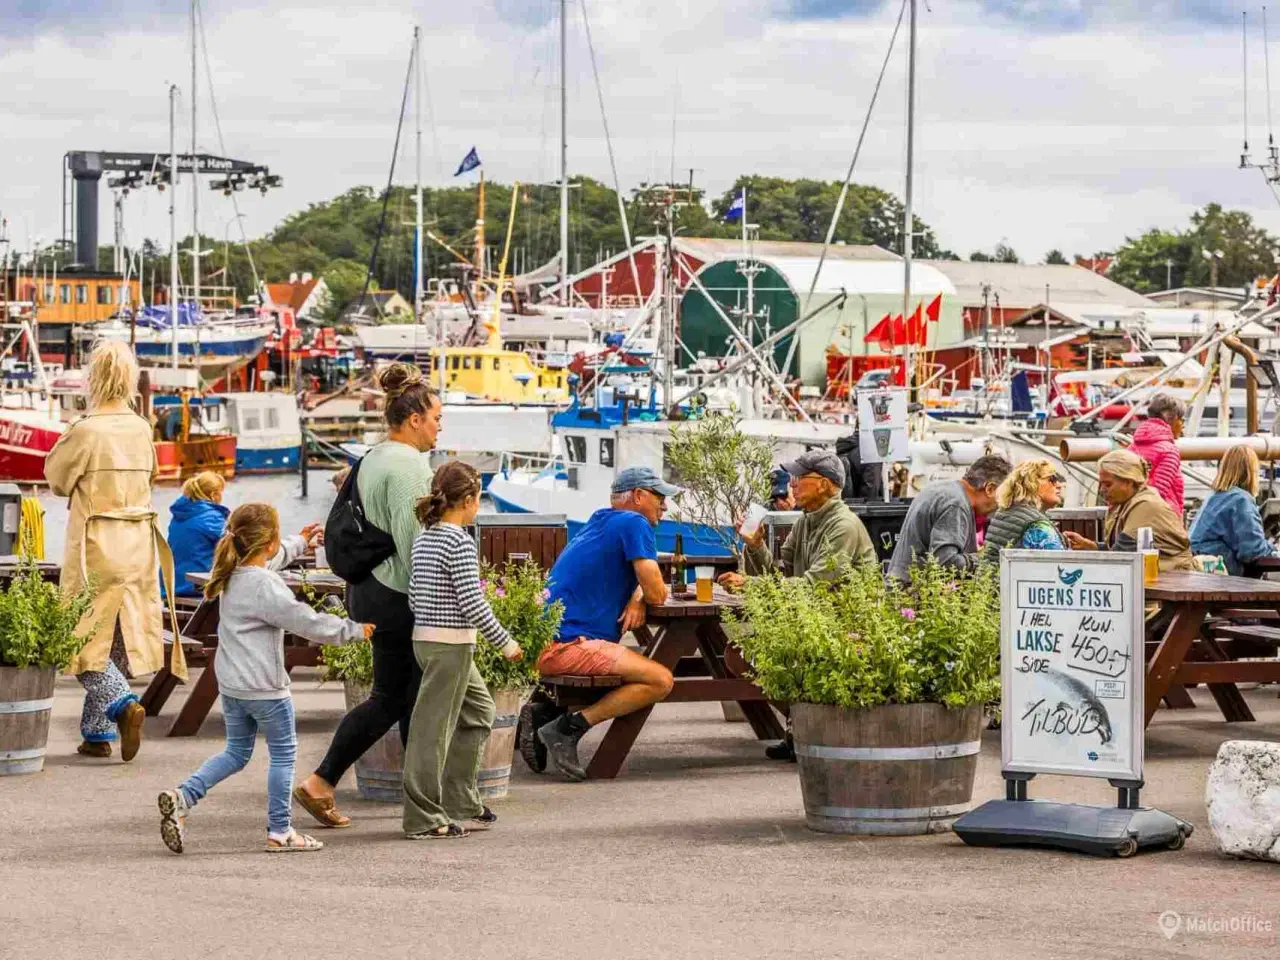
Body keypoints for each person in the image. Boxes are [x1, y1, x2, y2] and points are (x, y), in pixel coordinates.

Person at [157, 504, 373, 854]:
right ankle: (280, 830)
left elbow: (267, 564)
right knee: (284, 755)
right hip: (265, 689)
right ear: (269, 541)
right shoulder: (266, 585)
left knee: (236, 752)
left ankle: (184, 796)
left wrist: (299, 542)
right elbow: (305, 620)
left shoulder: (230, 573)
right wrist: (353, 630)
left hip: (232, 685)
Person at [294, 363, 441, 828]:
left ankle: (416, 796)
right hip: (398, 596)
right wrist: (439, 604)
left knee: (402, 698)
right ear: (414, 418)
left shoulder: (373, 457)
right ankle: (329, 783)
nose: (440, 427)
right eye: (437, 418)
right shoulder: (408, 468)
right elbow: (416, 544)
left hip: (369, 589)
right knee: (398, 699)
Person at [44, 340, 176, 762]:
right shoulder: (141, 428)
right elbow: (153, 477)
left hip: (96, 546)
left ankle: (122, 705)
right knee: (116, 637)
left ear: (94, 378)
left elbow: (57, 480)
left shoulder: (85, 430)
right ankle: (97, 734)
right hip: (138, 544)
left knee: (80, 639)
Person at [403, 461, 523, 839]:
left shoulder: (425, 537)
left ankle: (459, 799)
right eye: (479, 499)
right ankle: (424, 817)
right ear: (469, 500)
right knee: (432, 732)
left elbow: (412, 596)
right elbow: (473, 604)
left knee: (479, 711)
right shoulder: (458, 541)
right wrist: (506, 642)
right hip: (449, 645)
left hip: (428, 639)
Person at [534, 466, 675, 781]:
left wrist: (637, 596)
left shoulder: (601, 520)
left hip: (547, 641)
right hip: (567, 646)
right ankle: (566, 728)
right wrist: (643, 595)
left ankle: (547, 709)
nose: (664, 506)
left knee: (629, 669)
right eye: (660, 497)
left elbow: (646, 590)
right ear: (638, 496)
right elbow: (658, 593)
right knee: (660, 680)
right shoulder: (634, 522)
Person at [721, 450, 876, 590]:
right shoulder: (805, 521)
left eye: (799, 477)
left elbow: (813, 586)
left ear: (822, 485)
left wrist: (748, 584)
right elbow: (778, 576)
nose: (792, 484)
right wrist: (756, 546)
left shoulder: (844, 526)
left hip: (843, 620)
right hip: (815, 617)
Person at [167, 471, 323, 598]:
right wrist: (301, 541)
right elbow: (249, 551)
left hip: (174, 585)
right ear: (214, 495)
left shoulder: (179, 516)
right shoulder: (210, 518)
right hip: (199, 588)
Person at [887, 455, 1013, 582]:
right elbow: (945, 562)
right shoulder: (956, 504)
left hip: (902, 586)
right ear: (990, 489)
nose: (1001, 504)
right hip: (912, 594)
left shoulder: (942, 488)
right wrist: (982, 559)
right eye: (1004, 496)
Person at [1062, 449, 1194, 570]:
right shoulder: (1125, 502)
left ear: (1129, 481)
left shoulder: (1145, 505)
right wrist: (1090, 546)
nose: (1102, 490)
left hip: (1176, 580)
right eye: (1101, 484)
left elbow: (1121, 557)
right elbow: (1119, 553)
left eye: (1108, 484)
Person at [1189, 445, 1278, 575]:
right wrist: (1273, 550)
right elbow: (1252, 550)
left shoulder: (1214, 496)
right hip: (1222, 574)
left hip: (1200, 567)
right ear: (1250, 471)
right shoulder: (1240, 500)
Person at [979, 459, 1067, 563]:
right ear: (1032, 483)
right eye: (1052, 479)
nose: (1059, 485)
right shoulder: (1037, 526)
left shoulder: (1006, 511)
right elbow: (1060, 566)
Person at [1129, 393, 1185, 516]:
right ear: (1173, 419)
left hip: (1131, 516)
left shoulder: (1132, 447)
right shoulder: (1169, 451)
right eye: (1182, 419)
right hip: (1160, 520)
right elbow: (1158, 495)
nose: (1183, 425)